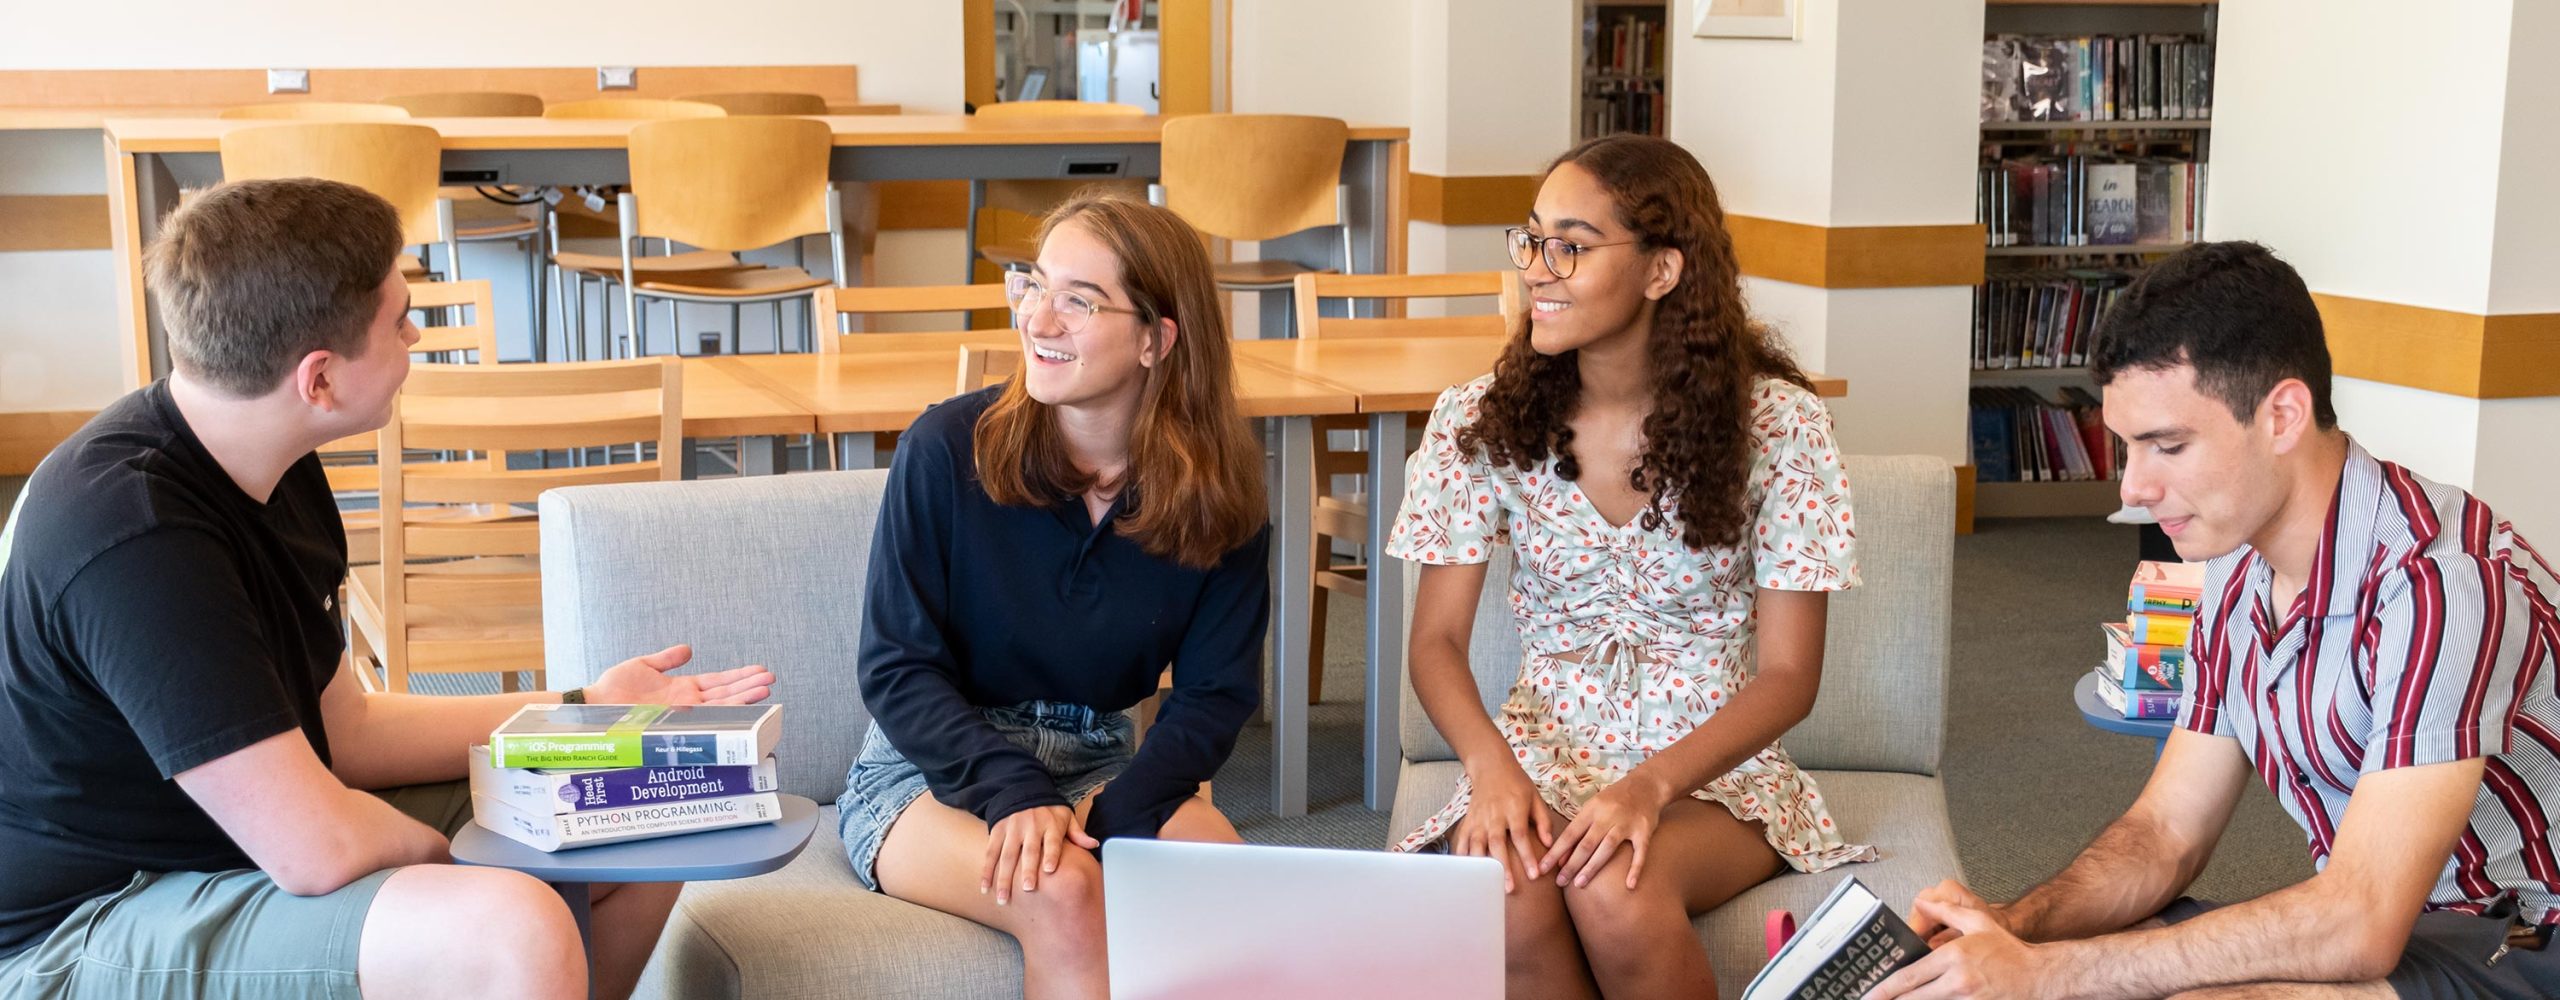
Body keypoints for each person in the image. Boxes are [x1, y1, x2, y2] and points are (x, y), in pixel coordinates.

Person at [0, 178, 776, 1000]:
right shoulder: (135, 538)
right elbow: (317, 848)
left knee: (641, 803)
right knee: (512, 924)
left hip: (252, 835)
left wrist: (589, 710)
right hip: (91, 917)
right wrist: (491, 865)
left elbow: (351, 731)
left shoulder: (273, 463)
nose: (417, 335)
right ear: (321, 381)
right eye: (399, 320)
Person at [1872, 241, 2560, 1000]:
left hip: (2523, 936)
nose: (2135, 487)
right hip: (2397, 916)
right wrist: (2016, 927)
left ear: (2283, 415)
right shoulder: (2237, 563)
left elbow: (2359, 922)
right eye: (2128, 448)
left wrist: (2047, 975)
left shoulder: (2439, 583)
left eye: (2169, 446)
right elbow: (2166, 832)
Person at [1387, 133, 1871, 999]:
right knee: (1505, 893)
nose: (1538, 268)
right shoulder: (1478, 418)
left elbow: (1790, 677)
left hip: (1714, 774)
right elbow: (1435, 642)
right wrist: (1493, 770)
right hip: (1539, 750)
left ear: (1661, 272)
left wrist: (1649, 787)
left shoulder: (1780, 425)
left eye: (1569, 245)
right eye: (1531, 239)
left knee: (1613, 883)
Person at [841, 194, 1269, 1000]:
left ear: (1156, 339)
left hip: (1098, 763)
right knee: (1065, 893)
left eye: (1078, 299)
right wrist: (1013, 793)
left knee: (1221, 882)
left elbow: (1216, 695)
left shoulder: (1222, 496)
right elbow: (897, 667)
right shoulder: (944, 448)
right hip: (930, 771)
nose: (1039, 319)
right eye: (1033, 286)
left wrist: (1117, 812)